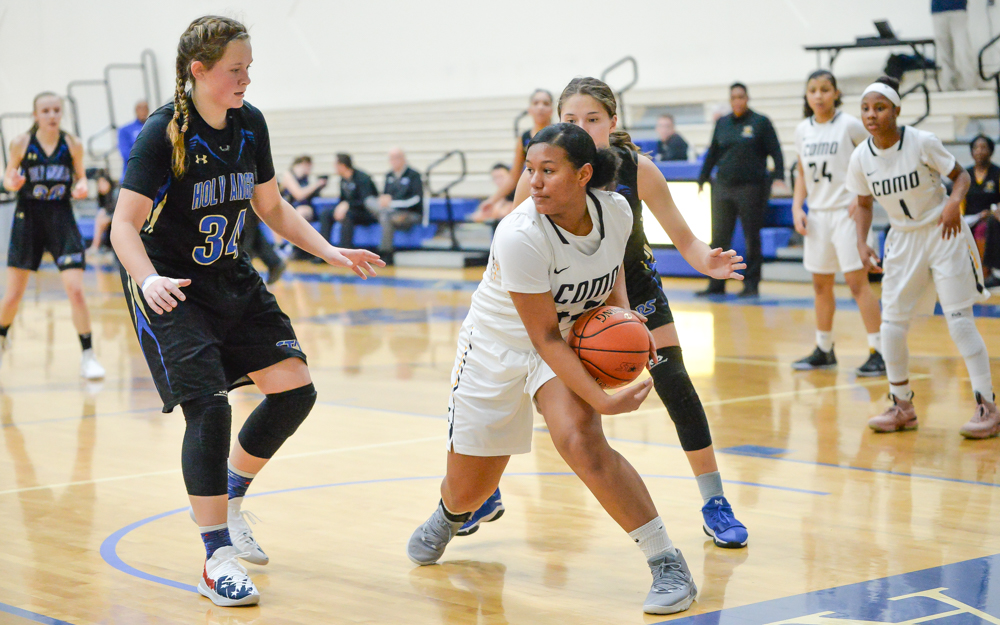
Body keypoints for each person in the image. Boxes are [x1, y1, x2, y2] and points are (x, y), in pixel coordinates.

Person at [110, 16, 383, 607]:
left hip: (231, 275)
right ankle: (215, 558)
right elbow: (122, 226)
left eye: (250, 68)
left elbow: (272, 207)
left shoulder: (249, 122)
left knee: (296, 389)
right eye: (236, 70)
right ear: (199, 71)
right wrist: (148, 278)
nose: (246, 79)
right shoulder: (162, 135)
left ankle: (232, 499)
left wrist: (329, 251)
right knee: (208, 409)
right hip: (172, 285)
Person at [407, 122, 699, 615]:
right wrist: (603, 397)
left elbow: (610, 279)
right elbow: (539, 336)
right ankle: (449, 514)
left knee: (582, 440)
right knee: (469, 489)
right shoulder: (520, 234)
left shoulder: (618, 212)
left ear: (584, 174)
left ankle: (667, 562)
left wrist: (628, 325)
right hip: (497, 349)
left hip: (565, 339)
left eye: (548, 170)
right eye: (530, 170)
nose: (534, 182)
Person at [478, 77, 748, 555]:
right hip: (563, 295)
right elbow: (511, 246)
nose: (581, 127)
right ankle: (482, 490)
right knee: (519, 385)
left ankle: (715, 502)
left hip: (632, 285)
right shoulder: (539, 174)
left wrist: (706, 260)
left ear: (613, 123)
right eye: (570, 120)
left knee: (676, 382)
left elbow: (684, 238)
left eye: (593, 119)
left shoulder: (637, 168)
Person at [847, 76, 999, 439]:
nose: (871, 115)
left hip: (942, 232)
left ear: (896, 111)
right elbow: (864, 204)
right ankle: (902, 406)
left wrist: (952, 204)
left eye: (879, 108)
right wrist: (861, 241)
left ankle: (988, 408)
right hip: (902, 238)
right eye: (866, 109)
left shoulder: (922, 141)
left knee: (959, 320)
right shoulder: (860, 158)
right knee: (891, 326)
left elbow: (960, 177)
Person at [1, 92, 105, 379]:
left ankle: (88, 355)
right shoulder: (21, 143)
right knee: (12, 296)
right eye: (45, 110)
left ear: (62, 114)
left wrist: (82, 186)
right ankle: (1, 338)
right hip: (29, 219)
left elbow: (81, 176)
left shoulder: (73, 144)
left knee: (76, 290)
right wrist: (13, 181)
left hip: (61, 217)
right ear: (35, 115)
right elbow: (8, 178)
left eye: (56, 110)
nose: (51, 115)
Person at [790, 70, 885, 376]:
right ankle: (824, 349)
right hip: (817, 215)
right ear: (807, 96)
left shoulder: (849, 125)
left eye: (825, 89)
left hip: (846, 214)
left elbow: (875, 157)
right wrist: (796, 206)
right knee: (821, 284)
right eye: (813, 90)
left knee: (858, 283)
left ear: (836, 94)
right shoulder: (802, 130)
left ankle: (880, 351)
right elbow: (802, 173)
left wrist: (861, 196)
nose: (819, 95)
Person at [696, 82, 786, 297]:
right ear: (730, 100)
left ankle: (751, 285)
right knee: (719, 238)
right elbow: (713, 152)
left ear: (747, 98)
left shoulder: (761, 123)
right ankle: (716, 284)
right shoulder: (723, 123)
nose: (738, 101)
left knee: (751, 238)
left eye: (741, 97)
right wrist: (702, 178)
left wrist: (779, 177)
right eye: (734, 97)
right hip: (723, 187)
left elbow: (776, 151)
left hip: (752, 188)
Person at [476, 89, 553, 217]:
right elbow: (513, 177)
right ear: (530, 109)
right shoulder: (524, 138)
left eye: (545, 103)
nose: (540, 107)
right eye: (536, 103)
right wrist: (493, 200)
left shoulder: (559, 135)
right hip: (532, 193)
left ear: (551, 109)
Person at [964, 135, 1000, 288]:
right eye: (976, 148)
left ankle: (986, 273)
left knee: (983, 229)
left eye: (983, 147)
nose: (979, 151)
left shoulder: (997, 173)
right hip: (968, 218)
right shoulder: (964, 175)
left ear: (991, 151)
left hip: (990, 218)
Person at [377, 147, 424, 260]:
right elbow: (386, 196)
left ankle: (385, 254)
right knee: (385, 214)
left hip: (411, 214)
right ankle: (386, 255)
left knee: (385, 216)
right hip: (391, 213)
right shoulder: (388, 176)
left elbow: (415, 200)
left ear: (403, 159)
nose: (393, 161)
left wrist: (392, 204)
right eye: (391, 158)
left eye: (396, 158)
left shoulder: (414, 175)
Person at [327, 153, 379, 249]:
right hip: (351, 211)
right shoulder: (343, 180)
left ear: (342, 165)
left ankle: (345, 251)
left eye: (335, 165)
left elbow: (367, 202)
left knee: (348, 215)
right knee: (325, 214)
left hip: (366, 213)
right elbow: (342, 200)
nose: (334, 167)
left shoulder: (363, 178)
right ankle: (323, 251)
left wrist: (349, 205)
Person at [932, 0, 977, 91]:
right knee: (944, 53)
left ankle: (970, 86)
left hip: (957, 9)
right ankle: (948, 87)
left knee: (963, 49)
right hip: (938, 10)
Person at [88, 169, 119, 256]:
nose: (100, 186)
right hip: (111, 217)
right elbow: (103, 209)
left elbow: (118, 211)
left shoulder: (116, 192)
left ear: (107, 181)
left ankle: (95, 246)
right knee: (100, 215)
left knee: (101, 219)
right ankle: (98, 246)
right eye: (99, 184)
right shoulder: (102, 195)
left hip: (118, 217)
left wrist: (107, 217)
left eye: (102, 183)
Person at [118, 100, 149, 177]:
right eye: (140, 109)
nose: (143, 111)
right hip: (132, 173)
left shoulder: (153, 127)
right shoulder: (125, 130)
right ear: (136, 110)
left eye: (145, 108)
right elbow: (125, 153)